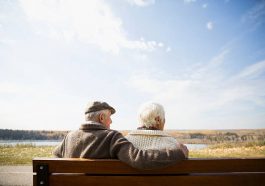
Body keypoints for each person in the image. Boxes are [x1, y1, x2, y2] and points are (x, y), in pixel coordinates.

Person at [53, 101, 187, 170]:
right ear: (101, 117)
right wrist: (178, 152)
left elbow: (56, 155)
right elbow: (139, 158)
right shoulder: (111, 137)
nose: (111, 121)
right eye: (109, 117)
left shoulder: (69, 137)